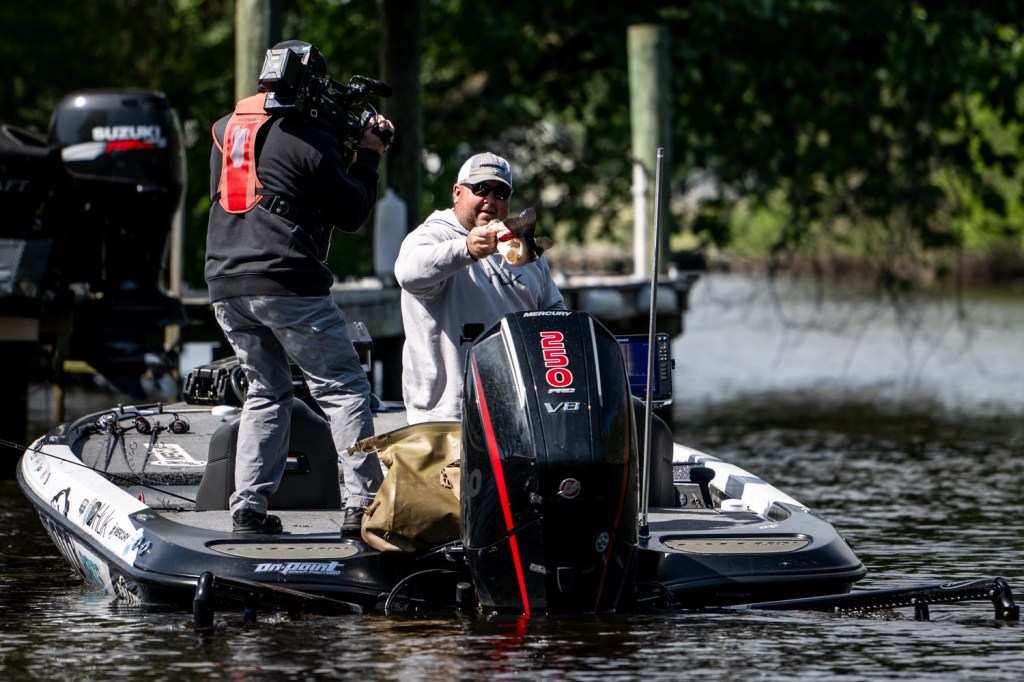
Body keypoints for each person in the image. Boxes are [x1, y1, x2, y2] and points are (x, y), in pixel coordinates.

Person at [204, 40, 395, 536]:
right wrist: (369, 155)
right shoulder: (311, 139)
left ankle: (247, 508)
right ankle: (365, 505)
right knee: (344, 387)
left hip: (225, 281)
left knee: (266, 389)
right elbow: (351, 212)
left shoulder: (227, 130)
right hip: (286, 280)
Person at [394, 152, 566, 424]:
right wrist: (466, 249)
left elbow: (554, 313)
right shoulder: (433, 235)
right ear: (457, 192)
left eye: (500, 193)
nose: (490, 200)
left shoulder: (522, 247)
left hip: (519, 411)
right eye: (481, 189)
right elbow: (407, 273)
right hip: (447, 417)